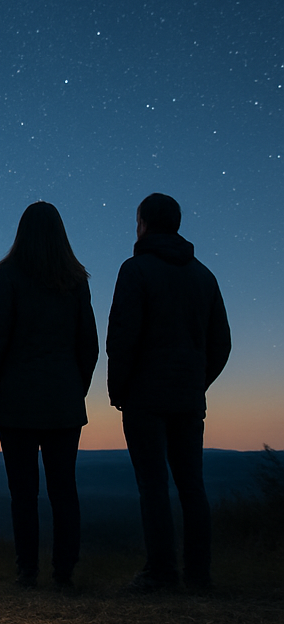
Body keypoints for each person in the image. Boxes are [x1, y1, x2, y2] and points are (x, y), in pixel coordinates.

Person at [107, 193, 231, 593]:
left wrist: (119, 386)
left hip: (144, 396)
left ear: (143, 222)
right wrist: (198, 380)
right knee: (191, 484)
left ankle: (161, 572)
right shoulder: (204, 276)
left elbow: (122, 336)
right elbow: (222, 344)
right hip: (188, 397)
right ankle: (199, 575)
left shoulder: (136, 270)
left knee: (154, 484)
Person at [0, 202, 99, 590]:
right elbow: (89, 345)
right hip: (63, 400)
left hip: (16, 401)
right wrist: (77, 388)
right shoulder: (76, 280)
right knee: (65, 490)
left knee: (23, 492)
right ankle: (64, 572)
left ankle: (27, 569)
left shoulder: (8, 275)